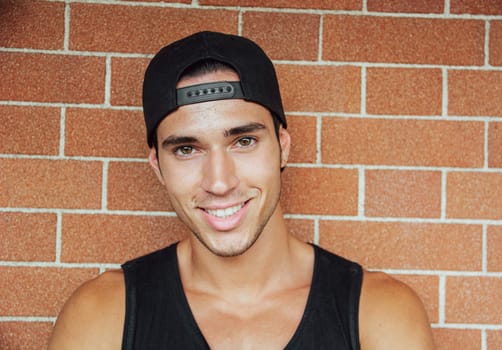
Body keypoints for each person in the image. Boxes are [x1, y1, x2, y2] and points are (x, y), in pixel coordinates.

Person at [48, 31, 435, 349]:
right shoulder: (102, 318)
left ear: (283, 146)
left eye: (244, 141)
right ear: (158, 167)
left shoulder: (381, 315)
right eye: (187, 149)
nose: (220, 182)